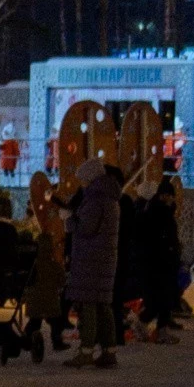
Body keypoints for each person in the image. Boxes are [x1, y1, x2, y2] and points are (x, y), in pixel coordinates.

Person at [64, 156, 123, 369]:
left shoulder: (96, 198)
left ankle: (86, 351)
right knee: (103, 306)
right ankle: (109, 351)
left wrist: (68, 220)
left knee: (88, 306)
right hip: (104, 260)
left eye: (83, 180)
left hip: (91, 260)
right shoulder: (110, 197)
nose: (82, 184)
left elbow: (86, 228)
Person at [138, 176, 184, 343]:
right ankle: (153, 327)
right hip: (159, 262)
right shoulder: (159, 213)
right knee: (160, 299)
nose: (169, 198)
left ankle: (154, 327)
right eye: (166, 195)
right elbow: (159, 239)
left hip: (162, 262)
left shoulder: (159, 212)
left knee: (162, 299)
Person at [21, 203, 69, 362]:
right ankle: (57, 341)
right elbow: (61, 279)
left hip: (34, 300)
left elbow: (27, 281)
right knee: (55, 322)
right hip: (50, 300)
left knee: (34, 322)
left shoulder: (32, 265)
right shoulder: (53, 264)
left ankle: (26, 339)